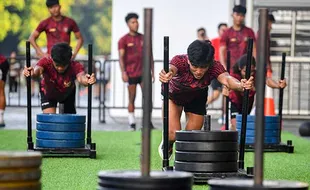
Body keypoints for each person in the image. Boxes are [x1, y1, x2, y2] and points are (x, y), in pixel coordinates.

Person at [158, 40, 254, 159]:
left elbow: (227, 79)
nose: (199, 71)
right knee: (172, 134)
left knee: (191, 137)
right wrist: (166, 73)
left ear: (209, 63)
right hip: (174, 95)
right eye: (195, 66)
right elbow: (170, 68)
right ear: (188, 60)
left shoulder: (214, 66)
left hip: (197, 96)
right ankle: (167, 143)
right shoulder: (179, 61)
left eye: (203, 67)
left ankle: (185, 162)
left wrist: (241, 85)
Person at [23, 43, 96, 114]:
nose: (60, 68)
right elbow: (37, 72)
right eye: (57, 65)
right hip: (48, 92)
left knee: (68, 123)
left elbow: (81, 78)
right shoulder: (45, 62)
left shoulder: (75, 65)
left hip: (67, 94)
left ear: (69, 60)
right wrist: (32, 74)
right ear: (52, 59)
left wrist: (87, 81)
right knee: (50, 120)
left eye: (64, 65)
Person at [226, 54, 287, 130]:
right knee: (236, 125)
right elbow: (230, 83)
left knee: (244, 125)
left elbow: (267, 80)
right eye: (245, 71)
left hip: (248, 102)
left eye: (251, 71)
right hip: (235, 102)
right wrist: (241, 86)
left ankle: (243, 140)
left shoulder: (256, 74)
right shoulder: (234, 75)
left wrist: (278, 85)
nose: (249, 74)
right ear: (239, 69)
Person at [118, 12, 154, 131]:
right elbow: (121, 58)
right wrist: (123, 72)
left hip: (144, 73)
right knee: (131, 98)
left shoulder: (144, 38)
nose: (136, 24)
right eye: (133, 22)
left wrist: (153, 72)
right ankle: (132, 123)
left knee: (147, 98)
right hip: (131, 73)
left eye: (137, 21)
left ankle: (147, 122)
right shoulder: (123, 40)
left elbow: (150, 56)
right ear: (128, 24)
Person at [220, 5, 256, 70]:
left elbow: (254, 49)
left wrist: (254, 65)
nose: (239, 17)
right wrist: (224, 67)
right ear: (232, 15)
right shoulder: (227, 33)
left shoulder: (249, 32)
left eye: (242, 15)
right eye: (237, 15)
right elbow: (222, 51)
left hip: (245, 68)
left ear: (244, 16)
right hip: (231, 68)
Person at [208, 23, 228, 105]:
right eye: (223, 30)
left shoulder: (229, 42)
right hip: (216, 70)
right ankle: (200, 106)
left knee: (226, 93)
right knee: (216, 94)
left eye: (226, 30)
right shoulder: (213, 41)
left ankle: (224, 115)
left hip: (226, 70)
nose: (224, 32)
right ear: (218, 31)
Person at [0, 55, 10, 126]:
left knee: (1, 90)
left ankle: (1, 118)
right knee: (1, 91)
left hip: (2, 63)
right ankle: (1, 118)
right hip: (3, 62)